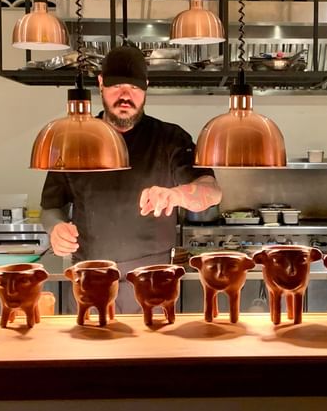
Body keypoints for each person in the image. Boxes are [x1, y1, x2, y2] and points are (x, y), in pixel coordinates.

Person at [40, 44, 222, 313]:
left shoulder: (170, 139)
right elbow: (50, 208)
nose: (126, 96)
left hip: (154, 282)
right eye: (117, 86)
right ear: (100, 83)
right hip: (89, 279)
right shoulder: (72, 141)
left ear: (146, 87)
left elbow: (212, 192)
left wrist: (178, 195)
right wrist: (55, 228)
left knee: (151, 353)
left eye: (134, 88)